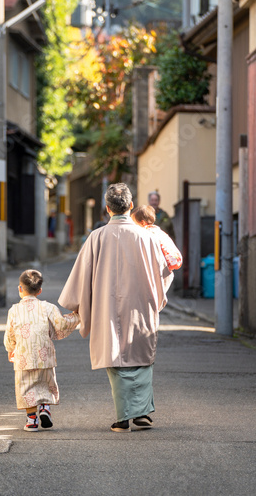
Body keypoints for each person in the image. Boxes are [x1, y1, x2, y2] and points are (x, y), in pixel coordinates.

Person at [58, 183, 173, 432]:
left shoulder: (96, 237)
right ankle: (141, 413)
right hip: (140, 305)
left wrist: (77, 305)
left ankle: (124, 418)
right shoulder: (147, 236)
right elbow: (163, 273)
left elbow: (81, 275)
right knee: (141, 357)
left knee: (116, 358)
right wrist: (157, 298)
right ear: (131, 206)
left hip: (105, 305)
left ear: (107, 209)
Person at [4, 269, 80, 432]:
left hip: (23, 356)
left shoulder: (14, 310)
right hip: (44, 354)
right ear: (40, 291)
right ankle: (45, 408)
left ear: (20, 289)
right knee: (45, 383)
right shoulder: (48, 307)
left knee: (26, 387)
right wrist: (76, 316)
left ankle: (31, 420)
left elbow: (10, 335)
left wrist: (11, 349)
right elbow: (61, 325)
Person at [131, 205, 182, 271]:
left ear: (143, 223)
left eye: (135, 223)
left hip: (158, 269)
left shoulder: (145, 234)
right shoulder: (159, 232)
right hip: (169, 266)